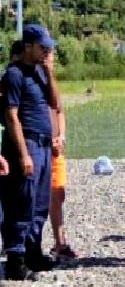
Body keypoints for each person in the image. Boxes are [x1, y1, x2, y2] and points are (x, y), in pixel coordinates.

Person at [0, 26, 56, 281]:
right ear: (29, 46)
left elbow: (54, 103)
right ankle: (16, 258)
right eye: (42, 47)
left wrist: (50, 72)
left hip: (44, 143)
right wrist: (23, 154)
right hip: (27, 143)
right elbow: (11, 117)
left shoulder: (40, 72)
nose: (46, 51)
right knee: (21, 201)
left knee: (40, 203)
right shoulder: (13, 74)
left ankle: (33, 251)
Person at [43, 45, 75, 260]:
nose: (50, 61)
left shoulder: (49, 82)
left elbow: (59, 110)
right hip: (38, 146)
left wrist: (61, 135)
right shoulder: (24, 80)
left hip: (55, 148)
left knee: (58, 194)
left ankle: (59, 242)